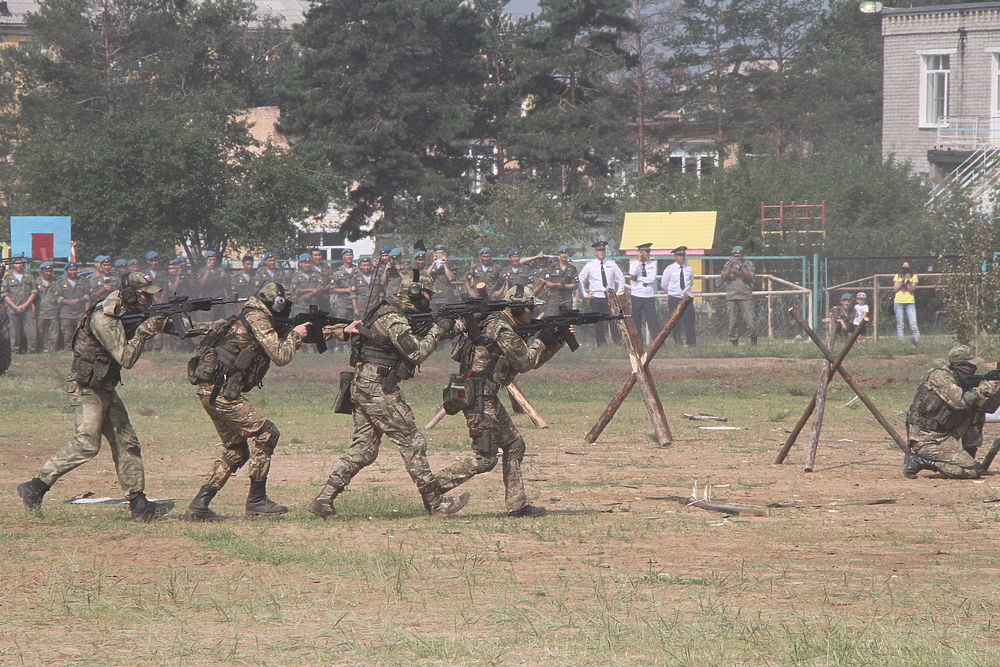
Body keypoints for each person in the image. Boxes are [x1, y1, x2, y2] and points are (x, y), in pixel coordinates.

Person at [308, 271, 469, 520]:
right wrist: (438, 331)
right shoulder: (394, 318)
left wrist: (461, 325)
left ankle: (323, 500)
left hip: (367, 384)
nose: (430, 299)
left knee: (364, 449)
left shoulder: (400, 312)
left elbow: (427, 330)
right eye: (428, 294)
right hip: (377, 387)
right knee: (412, 441)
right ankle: (435, 503)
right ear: (415, 293)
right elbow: (416, 352)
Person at [16, 272, 177, 521]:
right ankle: (36, 486)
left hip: (105, 386)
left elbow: (167, 326)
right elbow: (126, 359)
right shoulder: (104, 317)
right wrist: (146, 330)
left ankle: (138, 504)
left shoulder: (129, 308)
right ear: (131, 294)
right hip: (86, 388)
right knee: (87, 444)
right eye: (145, 295)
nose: (150, 300)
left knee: (127, 442)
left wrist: (205, 328)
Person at [182, 282, 315, 521]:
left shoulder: (252, 315)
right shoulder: (257, 318)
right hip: (221, 393)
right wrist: (296, 335)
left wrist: (340, 331)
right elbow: (281, 355)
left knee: (235, 451)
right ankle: (257, 501)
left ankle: (199, 505)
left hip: (213, 391)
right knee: (267, 434)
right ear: (278, 302)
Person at [436, 285, 565, 517]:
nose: (533, 313)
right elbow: (525, 362)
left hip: (484, 394)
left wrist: (554, 340)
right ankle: (432, 486)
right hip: (478, 397)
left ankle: (518, 505)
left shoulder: (499, 323)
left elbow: (525, 362)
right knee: (485, 459)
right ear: (518, 309)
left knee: (514, 444)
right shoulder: (501, 328)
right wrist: (544, 340)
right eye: (530, 309)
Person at [902, 346, 1000, 480]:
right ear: (960, 365)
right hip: (927, 439)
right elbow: (960, 402)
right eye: (972, 366)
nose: (974, 369)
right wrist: (983, 388)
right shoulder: (940, 377)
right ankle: (921, 461)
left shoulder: (964, 382)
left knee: (976, 410)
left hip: (945, 436)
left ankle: (968, 454)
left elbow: (988, 408)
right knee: (973, 471)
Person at [577, 241, 625, 346]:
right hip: (596, 297)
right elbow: (580, 279)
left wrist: (618, 293)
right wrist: (585, 294)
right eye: (599, 250)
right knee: (598, 322)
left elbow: (621, 278)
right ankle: (600, 344)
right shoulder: (590, 265)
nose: (601, 252)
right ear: (595, 252)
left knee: (613, 321)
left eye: (603, 250)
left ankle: (617, 343)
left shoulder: (612, 264)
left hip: (610, 297)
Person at [660, 246, 696, 346]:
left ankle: (691, 343)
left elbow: (691, 282)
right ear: (675, 256)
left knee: (690, 321)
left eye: (683, 255)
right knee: (675, 322)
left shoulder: (689, 269)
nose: (681, 257)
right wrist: (673, 292)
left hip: (686, 299)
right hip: (674, 298)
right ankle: (677, 343)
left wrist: (684, 293)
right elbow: (664, 284)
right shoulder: (669, 269)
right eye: (679, 255)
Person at [1, 255, 38, 354]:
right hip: (13, 308)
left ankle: (32, 350)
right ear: (13, 265)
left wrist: (26, 304)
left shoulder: (30, 277)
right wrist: (15, 307)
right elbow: (5, 294)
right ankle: (15, 350)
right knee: (14, 330)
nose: (19, 265)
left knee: (31, 330)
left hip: (28, 307)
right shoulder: (8, 278)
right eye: (17, 263)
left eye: (21, 263)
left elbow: (34, 292)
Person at [720, 246, 756, 346]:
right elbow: (724, 277)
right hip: (732, 296)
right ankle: (734, 342)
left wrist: (742, 266)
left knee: (750, 320)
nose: (737, 258)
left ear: (743, 255)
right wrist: (730, 267)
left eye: (739, 256)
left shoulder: (748, 264)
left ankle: (753, 340)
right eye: (735, 256)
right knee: (733, 320)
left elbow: (750, 277)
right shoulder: (728, 264)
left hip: (746, 295)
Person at [627, 243, 660, 343]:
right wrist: (638, 261)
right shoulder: (634, 264)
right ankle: (638, 343)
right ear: (640, 252)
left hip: (648, 295)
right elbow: (632, 276)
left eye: (649, 251)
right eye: (645, 252)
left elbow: (651, 279)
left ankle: (657, 342)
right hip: (636, 295)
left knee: (653, 321)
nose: (647, 254)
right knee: (636, 321)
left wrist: (639, 279)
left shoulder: (653, 264)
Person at [536, 245, 578, 318]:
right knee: (553, 320)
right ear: (559, 255)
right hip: (554, 300)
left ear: (568, 254)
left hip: (567, 300)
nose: (564, 255)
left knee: (567, 320)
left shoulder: (572, 268)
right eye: (562, 253)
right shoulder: (552, 268)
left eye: (565, 253)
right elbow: (546, 282)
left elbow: (575, 285)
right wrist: (555, 284)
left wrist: (565, 286)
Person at [55, 261, 89, 349]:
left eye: (74, 270)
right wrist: (68, 301)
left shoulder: (83, 281)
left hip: (79, 312)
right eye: (71, 270)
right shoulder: (60, 282)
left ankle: (80, 349)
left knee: (81, 332)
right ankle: (68, 349)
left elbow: (88, 295)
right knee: (67, 334)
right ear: (66, 271)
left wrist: (78, 300)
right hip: (66, 312)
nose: (73, 272)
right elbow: (57, 297)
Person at [35, 261, 61, 352]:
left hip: (53, 310)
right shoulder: (36, 282)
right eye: (47, 271)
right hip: (40, 311)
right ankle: (42, 348)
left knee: (54, 331)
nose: (49, 273)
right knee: (40, 331)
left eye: (50, 271)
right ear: (42, 271)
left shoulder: (56, 281)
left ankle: (53, 348)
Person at [893, 261, 920, 345]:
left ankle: (916, 342)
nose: (905, 270)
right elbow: (895, 289)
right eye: (904, 268)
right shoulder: (897, 276)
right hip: (898, 302)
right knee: (900, 324)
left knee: (913, 323)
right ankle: (901, 343)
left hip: (910, 302)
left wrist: (908, 281)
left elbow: (912, 290)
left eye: (907, 268)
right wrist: (902, 280)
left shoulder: (914, 277)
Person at [329, 249, 356, 320]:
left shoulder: (358, 270)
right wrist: (347, 290)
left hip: (357, 304)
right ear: (343, 257)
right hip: (343, 305)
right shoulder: (337, 272)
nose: (349, 256)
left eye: (350, 255)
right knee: (341, 324)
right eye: (347, 255)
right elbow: (332, 289)